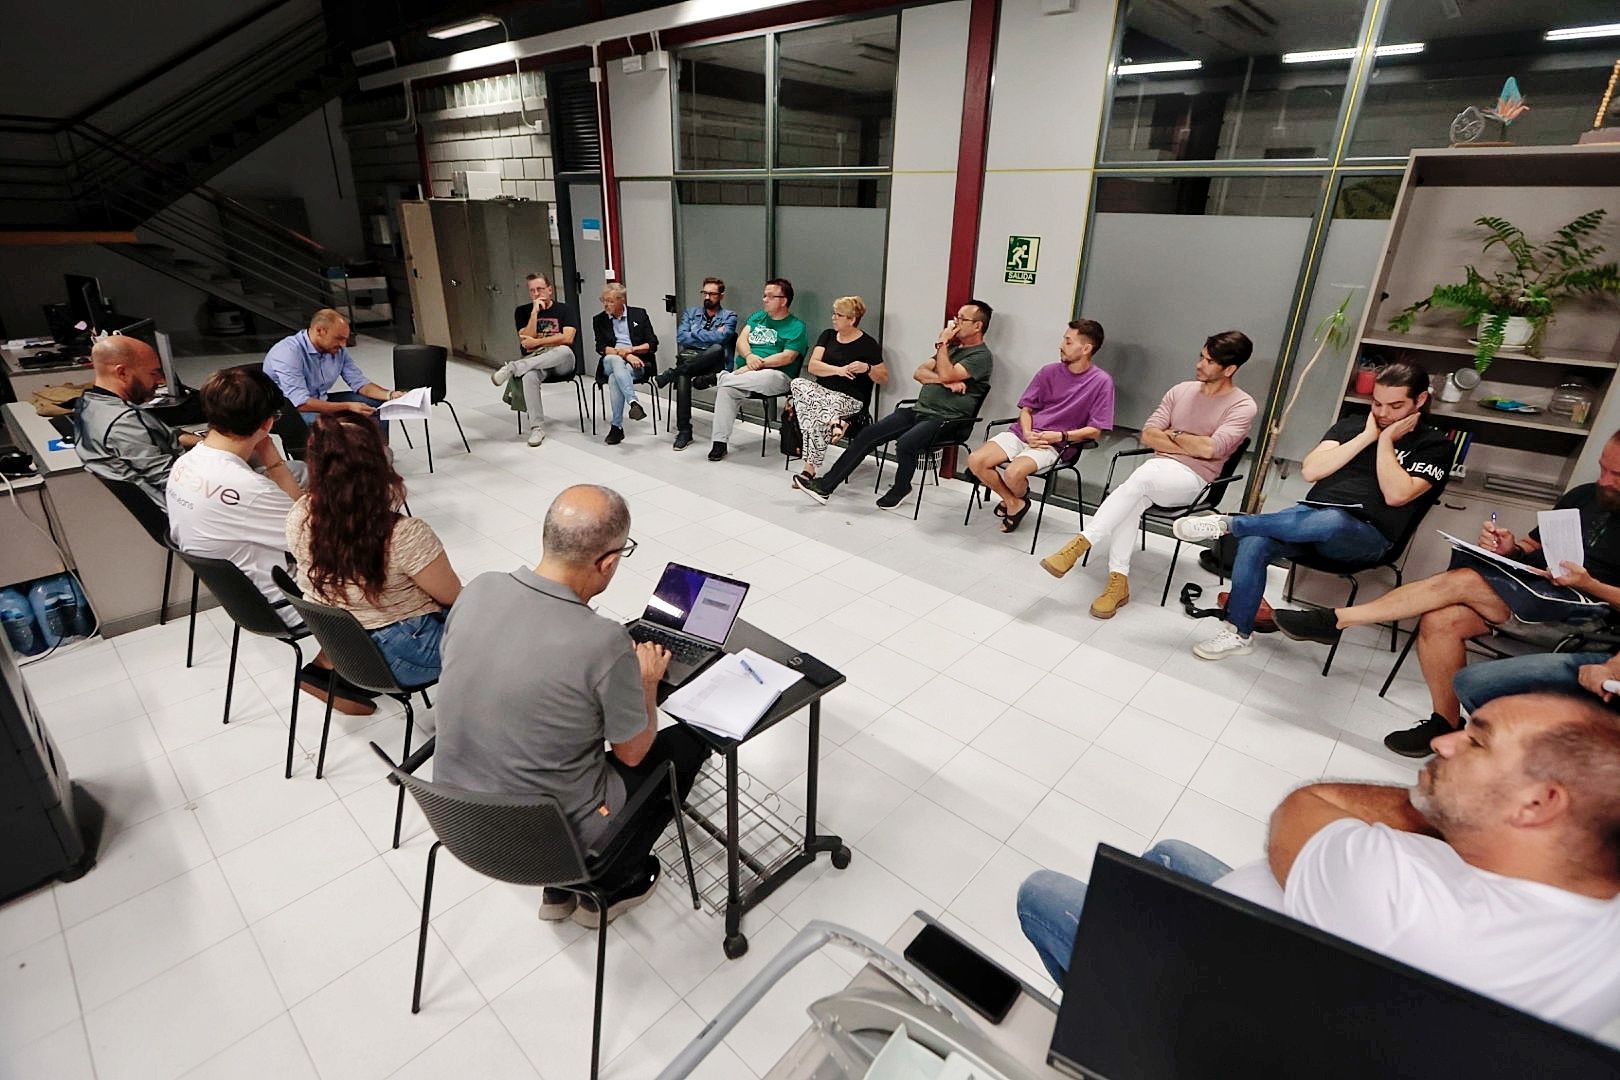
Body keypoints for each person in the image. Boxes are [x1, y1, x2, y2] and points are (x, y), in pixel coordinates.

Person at [1016, 692, 1620, 1036]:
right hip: (1300, 963)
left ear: (1538, 803)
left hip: (1220, 1006)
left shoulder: (1408, 906)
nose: (1444, 741)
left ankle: (1103, 1024)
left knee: (1040, 891)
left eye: (1477, 740)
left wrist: (1444, 809)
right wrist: (1476, 817)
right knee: (1168, 854)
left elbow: (1308, 806)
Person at [433, 485, 711, 926]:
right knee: (689, 744)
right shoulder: (602, 640)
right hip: (552, 839)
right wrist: (644, 681)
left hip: (461, 821)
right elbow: (632, 752)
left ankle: (558, 893)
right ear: (608, 563)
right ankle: (610, 884)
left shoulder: (480, 589)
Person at [1274, 430, 1620, 756]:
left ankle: (1335, 620)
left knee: (1467, 580)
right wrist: (1510, 548)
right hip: (1539, 595)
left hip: (1592, 619)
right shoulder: (1583, 496)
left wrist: (1589, 583)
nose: (1604, 481)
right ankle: (1445, 723)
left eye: (1616, 475)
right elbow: (1534, 546)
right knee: (1442, 619)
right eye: (1603, 468)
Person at [1174, 362, 1451, 661]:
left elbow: (1397, 495)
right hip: (1306, 524)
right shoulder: (1351, 426)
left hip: (1366, 537)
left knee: (1330, 520)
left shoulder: (1435, 446)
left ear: (1420, 400)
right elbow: (1312, 470)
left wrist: (1385, 441)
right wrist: (1367, 437)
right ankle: (1238, 632)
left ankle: (1230, 524)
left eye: (1395, 406)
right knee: (1256, 542)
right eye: (1377, 403)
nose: (1383, 414)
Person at [166, 367, 371, 714]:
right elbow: (320, 537)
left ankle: (338, 661)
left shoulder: (187, 464)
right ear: (268, 423)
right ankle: (334, 668)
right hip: (282, 604)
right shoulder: (249, 491)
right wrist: (275, 462)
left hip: (240, 598)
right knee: (379, 566)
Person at [1040, 330, 1257, 619]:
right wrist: (1188, 441)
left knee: (1140, 480)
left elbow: (1211, 449)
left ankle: (1082, 543)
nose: (1199, 364)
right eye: (1201, 356)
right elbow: (1149, 434)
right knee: (1136, 493)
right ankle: (1118, 584)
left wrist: (1175, 434)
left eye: (1208, 361)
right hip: (1156, 475)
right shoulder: (1180, 390)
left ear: (1229, 369)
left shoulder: (1242, 406)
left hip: (1195, 481)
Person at [286, 413, 462, 687]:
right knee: (496, 614)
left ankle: (331, 675)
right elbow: (452, 595)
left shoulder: (299, 515)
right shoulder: (404, 534)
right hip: (404, 655)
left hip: (342, 644)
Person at [795, 300, 994, 508]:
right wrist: (946, 381)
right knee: (868, 434)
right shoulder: (952, 351)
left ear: (978, 326)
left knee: (907, 443)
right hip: (920, 410)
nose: (955, 323)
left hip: (948, 420)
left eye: (962, 319)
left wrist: (943, 347)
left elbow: (945, 372)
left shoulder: (980, 356)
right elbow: (920, 373)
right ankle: (824, 486)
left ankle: (901, 488)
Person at [966, 319, 1114, 538]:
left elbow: (1095, 430)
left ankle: (1013, 501)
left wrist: (1060, 435)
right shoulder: (1049, 371)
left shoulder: (1101, 382)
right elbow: (1026, 409)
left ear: (1086, 349)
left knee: (1013, 473)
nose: (1061, 345)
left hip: (1056, 444)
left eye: (1068, 341)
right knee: (976, 461)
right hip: (1024, 433)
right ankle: (1014, 502)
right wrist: (1027, 432)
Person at [72, 334, 200, 505]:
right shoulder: (124, 423)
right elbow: (171, 481)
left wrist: (204, 443)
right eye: (153, 373)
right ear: (122, 372)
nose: (160, 380)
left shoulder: (91, 404)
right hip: (176, 510)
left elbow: (163, 435)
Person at [707, 278, 810, 462]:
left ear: (784, 300)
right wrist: (749, 357)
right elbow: (741, 341)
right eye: (764, 295)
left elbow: (787, 357)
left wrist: (756, 365)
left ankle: (718, 378)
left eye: (770, 296)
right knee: (727, 390)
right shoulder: (757, 317)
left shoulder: (797, 326)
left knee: (767, 376)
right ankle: (719, 443)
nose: (764, 299)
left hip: (777, 376)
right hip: (746, 376)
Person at [787, 295, 887, 483]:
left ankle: (809, 470)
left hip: (850, 398)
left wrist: (867, 368)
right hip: (822, 394)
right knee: (797, 384)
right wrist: (839, 370)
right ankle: (834, 421)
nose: (833, 317)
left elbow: (883, 377)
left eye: (839, 315)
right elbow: (813, 366)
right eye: (833, 313)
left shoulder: (868, 344)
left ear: (852, 319)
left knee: (814, 414)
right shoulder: (828, 335)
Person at [262, 309, 400, 439]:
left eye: (346, 339)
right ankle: (339, 460)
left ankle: (379, 452)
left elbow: (359, 383)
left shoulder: (337, 350)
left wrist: (390, 395)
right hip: (290, 411)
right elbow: (301, 403)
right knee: (338, 424)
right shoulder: (288, 352)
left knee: (376, 405)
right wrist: (348, 406)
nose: (343, 345)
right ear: (320, 331)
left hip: (319, 400)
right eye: (339, 338)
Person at [490, 272, 578, 447]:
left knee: (564, 350)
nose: (537, 294)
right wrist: (534, 313)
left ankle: (513, 367)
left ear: (550, 290)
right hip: (538, 361)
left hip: (562, 363)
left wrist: (538, 341)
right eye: (532, 291)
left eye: (540, 289)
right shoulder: (522, 312)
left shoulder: (565, 309)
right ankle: (537, 428)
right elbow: (526, 344)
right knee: (529, 376)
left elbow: (568, 338)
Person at [659, 277, 738, 451]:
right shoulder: (690, 313)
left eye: (712, 293)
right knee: (684, 374)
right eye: (705, 293)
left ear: (721, 296)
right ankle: (685, 431)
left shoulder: (730, 316)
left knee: (716, 348)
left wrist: (695, 333)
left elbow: (722, 338)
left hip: (716, 365)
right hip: (692, 360)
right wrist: (707, 337)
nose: (707, 296)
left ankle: (671, 373)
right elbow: (681, 337)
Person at [591, 282, 659, 446]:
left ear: (622, 300)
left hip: (637, 363)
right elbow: (601, 348)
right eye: (604, 300)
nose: (606, 304)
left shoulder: (639, 314)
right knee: (614, 361)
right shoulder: (599, 319)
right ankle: (633, 401)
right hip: (611, 359)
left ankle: (616, 428)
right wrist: (626, 355)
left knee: (615, 379)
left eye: (610, 301)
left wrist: (632, 350)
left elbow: (652, 344)